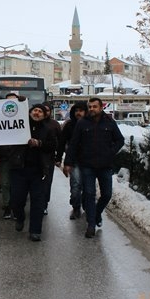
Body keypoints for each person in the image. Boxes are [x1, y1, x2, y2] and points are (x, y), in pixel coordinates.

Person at [63, 97, 125, 239]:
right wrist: (68, 162)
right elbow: (73, 144)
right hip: (87, 165)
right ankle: (91, 224)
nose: (91, 109)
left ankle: (96, 214)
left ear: (101, 107)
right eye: (90, 107)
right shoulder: (82, 124)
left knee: (107, 194)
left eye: (94, 107)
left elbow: (120, 140)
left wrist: (110, 152)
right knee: (89, 194)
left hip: (105, 165)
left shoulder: (109, 122)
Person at [9, 103, 57, 241]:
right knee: (16, 200)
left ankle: (35, 231)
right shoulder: (20, 126)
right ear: (29, 112)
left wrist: (39, 143)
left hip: (38, 171)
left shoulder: (48, 130)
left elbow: (53, 145)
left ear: (44, 115)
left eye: (40, 111)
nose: (37, 113)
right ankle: (20, 217)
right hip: (19, 170)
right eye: (35, 110)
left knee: (38, 202)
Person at [0, 92, 21, 219]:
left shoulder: (23, 117)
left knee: (18, 184)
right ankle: (7, 206)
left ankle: (16, 206)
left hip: (19, 157)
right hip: (4, 157)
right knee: (6, 183)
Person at [56, 101, 88, 220]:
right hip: (74, 160)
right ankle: (75, 207)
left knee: (87, 187)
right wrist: (59, 158)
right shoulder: (69, 125)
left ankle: (87, 205)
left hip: (89, 161)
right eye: (76, 111)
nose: (78, 113)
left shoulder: (90, 124)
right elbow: (62, 142)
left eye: (81, 110)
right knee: (75, 186)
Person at [40, 103, 62, 215]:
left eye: (48, 110)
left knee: (47, 183)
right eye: (44, 110)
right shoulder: (34, 123)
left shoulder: (54, 125)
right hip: (34, 159)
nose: (46, 112)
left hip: (48, 159)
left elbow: (60, 142)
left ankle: (44, 204)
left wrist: (58, 158)